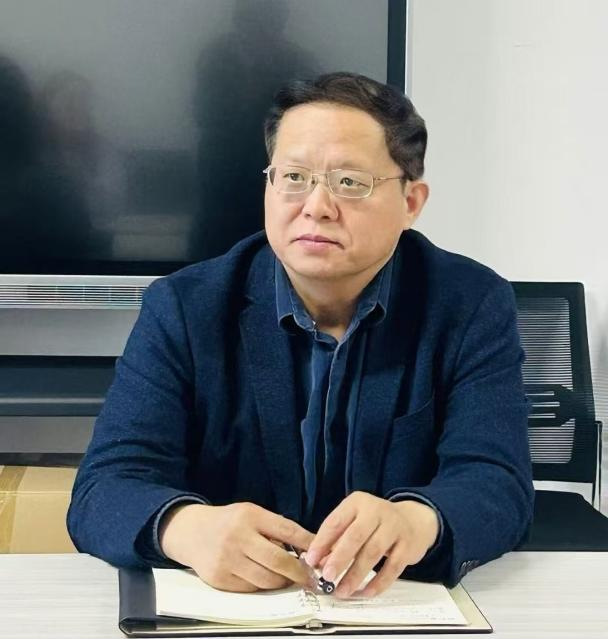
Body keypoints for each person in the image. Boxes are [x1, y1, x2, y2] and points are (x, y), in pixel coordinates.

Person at [68, 72, 534, 597]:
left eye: (350, 182)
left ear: (411, 202)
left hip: (392, 603)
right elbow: (104, 487)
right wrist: (185, 528)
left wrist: (417, 519)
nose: (316, 206)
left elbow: (497, 481)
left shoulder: (469, 304)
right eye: (293, 176)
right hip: (234, 610)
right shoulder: (185, 306)